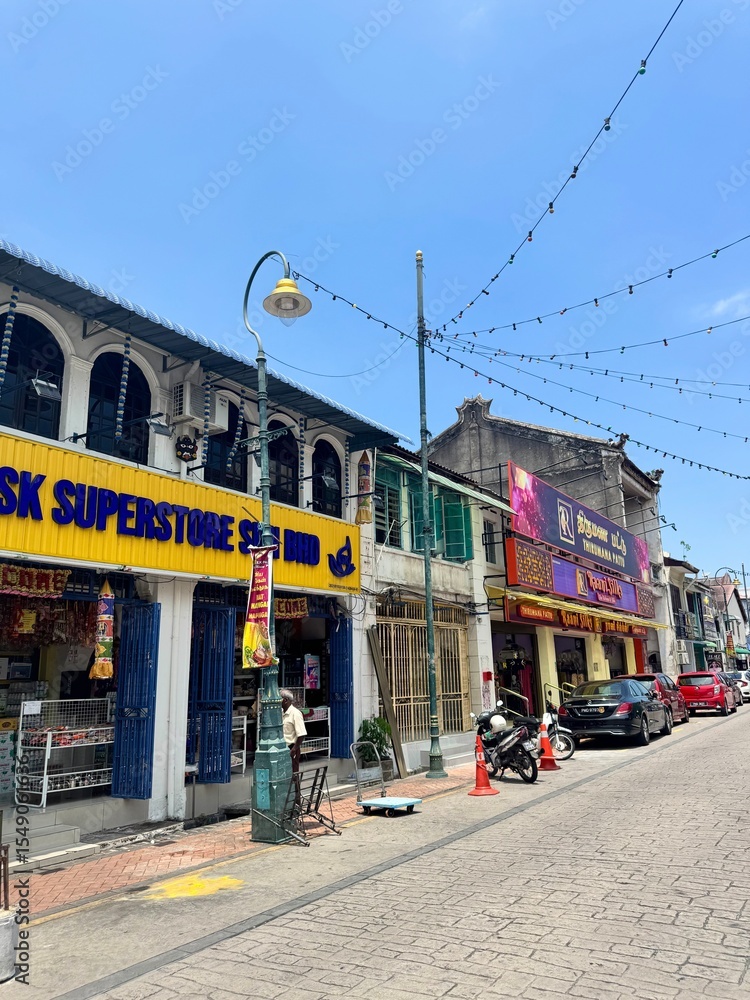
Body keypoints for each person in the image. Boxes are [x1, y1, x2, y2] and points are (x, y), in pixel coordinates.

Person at [280, 689, 307, 774]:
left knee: (293, 774)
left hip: (291, 748)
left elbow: (301, 734)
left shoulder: (296, 713)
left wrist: (294, 749)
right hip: (282, 748)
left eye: (280, 698)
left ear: (285, 700)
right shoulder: (281, 713)